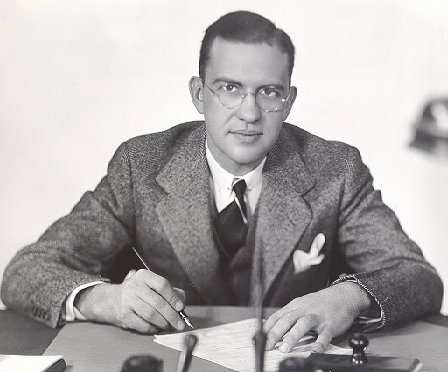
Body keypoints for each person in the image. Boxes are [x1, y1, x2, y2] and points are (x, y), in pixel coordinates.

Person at [1, 10, 443, 354]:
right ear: (198, 94)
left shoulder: (336, 169)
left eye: (268, 92)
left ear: (289, 100)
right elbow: (26, 271)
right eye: (230, 88)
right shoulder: (141, 164)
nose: (250, 114)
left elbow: (418, 278)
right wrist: (105, 300)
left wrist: (346, 298)